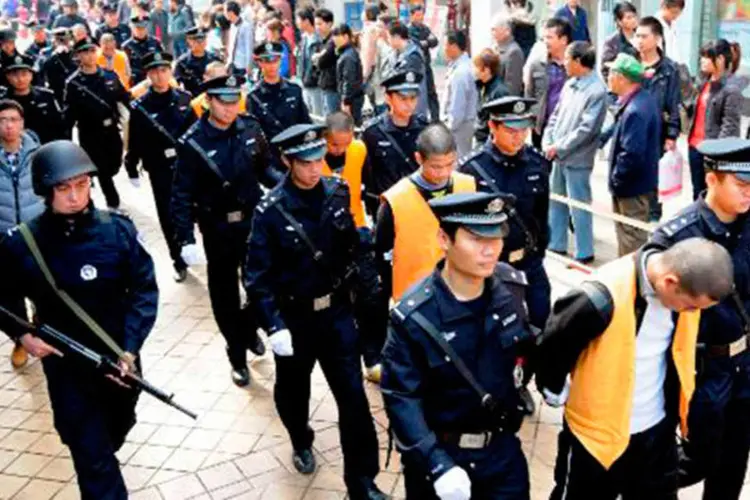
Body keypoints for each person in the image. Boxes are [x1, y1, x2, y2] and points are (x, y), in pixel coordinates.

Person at [0, 139, 158, 500]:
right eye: (63, 188)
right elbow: (3, 296)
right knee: (93, 456)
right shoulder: (22, 243)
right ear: (45, 190)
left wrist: (131, 348)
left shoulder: (117, 230)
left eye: (82, 185)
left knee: (116, 430)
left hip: (119, 359)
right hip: (66, 367)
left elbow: (145, 291)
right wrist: (22, 335)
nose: (74, 196)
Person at [243, 123, 386, 500]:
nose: (314, 168)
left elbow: (354, 246)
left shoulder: (338, 192)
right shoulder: (270, 211)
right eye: (305, 162)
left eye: (319, 159)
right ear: (287, 161)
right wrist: (273, 326)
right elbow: (256, 276)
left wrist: (368, 289)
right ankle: (300, 437)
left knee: (354, 399)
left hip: (336, 315)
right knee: (293, 392)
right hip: (294, 320)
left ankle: (363, 481)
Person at [536, 237, 733, 499]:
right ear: (669, 282)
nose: (692, 313)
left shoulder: (679, 297)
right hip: (595, 438)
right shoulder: (599, 296)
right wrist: (556, 390)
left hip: (656, 432)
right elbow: (554, 344)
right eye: (690, 305)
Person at [381, 191, 534, 500]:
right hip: (443, 457)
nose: (490, 250)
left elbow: (526, 349)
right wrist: (436, 464)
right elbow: (401, 396)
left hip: (502, 454)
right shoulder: (415, 316)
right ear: (444, 239)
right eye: (476, 239)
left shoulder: (511, 291)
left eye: (496, 237)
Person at [647, 138, 750, 500]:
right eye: (741, 184)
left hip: (743, 366)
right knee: (689, 461)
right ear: (712, 179)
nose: (749, 193)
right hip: (697, 369)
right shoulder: (678, 236)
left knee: (733, 462)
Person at [170, 74, 272, 387]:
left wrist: (288, 183)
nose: (230, 109)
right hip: (218, 229)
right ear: (209, 101)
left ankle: (247, 326)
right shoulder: (192, 142)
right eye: (223, 102)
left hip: (254, 223)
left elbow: (265, 168)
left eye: (234, 101)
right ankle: (236, 354)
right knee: (225, 295)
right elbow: (181, 194)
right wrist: (185, 238)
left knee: (265, 285)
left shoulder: (251, 128)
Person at [459, 96, 550, 415]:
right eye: (511, 130)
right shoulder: (472, 170)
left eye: (523, 129)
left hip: (529, 262)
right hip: (491, 268)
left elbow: (542, 216)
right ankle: (491, 386)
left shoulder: (538, 164)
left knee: (539, 323)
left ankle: (521, 382)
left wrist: (537, 253)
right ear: (493, 126)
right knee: (495, 331)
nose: (518, 137)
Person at [376, 123, 476, 304]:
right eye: (436, 167)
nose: (444, 173)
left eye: (450, 164)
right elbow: (382, 258)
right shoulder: (395, 200)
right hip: (415, 299)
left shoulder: (468, 186)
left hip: (461, 291)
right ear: (418, 159)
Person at [125, 51, 194, 282]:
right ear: (148, 75)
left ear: (170, 71)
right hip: (160, 168)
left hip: (187, 166)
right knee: (167, 215)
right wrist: (132, 166)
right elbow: (134, 140)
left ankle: (191, 245)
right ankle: (178, 259)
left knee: (193, 208)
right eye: (154, 71)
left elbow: (198, 134)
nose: (160, 75)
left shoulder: (185, 99)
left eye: (163, 70)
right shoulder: (140, 107)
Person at [543, 42, 607, 264]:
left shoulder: (597, 91)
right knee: (556, 201)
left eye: (568, 59)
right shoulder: (570, 85)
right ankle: (557, 243)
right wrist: (548, 140)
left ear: (579, 62)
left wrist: (558, 146)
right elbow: (555, 116)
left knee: (578, 205)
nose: (564, 63)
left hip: (577, 158)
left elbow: (586, 130)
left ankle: (584, 250)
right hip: (558, 154)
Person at [0, 99, 43, 370]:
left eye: (13, 120)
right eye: (2, 120)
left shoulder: (37, 154)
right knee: (8, 293)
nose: (8, 126)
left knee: (42, 287)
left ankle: (41, 328)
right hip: (3, 237)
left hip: (36, 234)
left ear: (23, 123)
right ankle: (20, 337)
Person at [604, 53, 661, 256]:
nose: (607, 77)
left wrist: (617, 178)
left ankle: (634, 282)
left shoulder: (636, 110)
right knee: (629, 235)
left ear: (622, 78)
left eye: (611, 73)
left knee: (631, 240)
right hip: (635, 185)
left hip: (631, 188)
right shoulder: (641, 100)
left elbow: (632, 154)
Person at [64, 36, 130, 209]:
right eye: (85, 52)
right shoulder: (73, 83)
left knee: (115, 165)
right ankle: (113, 203)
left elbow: (125, 99)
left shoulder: (109, 75)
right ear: (78, 56)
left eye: (92, 50)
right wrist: (67, 144)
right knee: (103, 171)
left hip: (112, 131)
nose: (90, 55)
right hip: (90, 134)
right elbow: (69, 116)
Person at [361, 68, 429, 216]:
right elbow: (367, 176)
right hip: (387, 207)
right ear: (388, 98)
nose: (409, 104)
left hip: (419, 204)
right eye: (403, 99)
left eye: (413, 98)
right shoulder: (372, 133)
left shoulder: (424, 128)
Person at [636, 16, 681, 222]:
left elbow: (673, 104)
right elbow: (614, 94)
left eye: (644, 36)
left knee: (655, 181)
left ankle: (653, 223)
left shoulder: (669, 69)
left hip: (657, 132)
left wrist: (672, 134)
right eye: (637, 36)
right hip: (633, 130)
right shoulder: (629, 62)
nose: (639, 40)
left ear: (657, 39)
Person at [687, 39, 742, 200]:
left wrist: (717, 154)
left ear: (720, 59)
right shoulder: (703, 83)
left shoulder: (731, 89)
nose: (702, 60)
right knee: (697, 193)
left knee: (713, 196)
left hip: (711, 152)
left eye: (706, 56)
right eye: (701, 56)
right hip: (694, 147)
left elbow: (730, 127)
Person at [247, 41, 310, 178]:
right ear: (259, 63)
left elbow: (305, 123)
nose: (271, 65)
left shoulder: (294, 90)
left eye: (275, 60)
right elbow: (254, 134)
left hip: (297, 155)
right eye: (266, 61)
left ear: (280, 60)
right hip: (272, 161)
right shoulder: (253, 97)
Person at [525, 17, 571, 150]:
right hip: (542, 126)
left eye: (550, 38)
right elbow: (530, 94)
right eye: (544, 38)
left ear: (563, 40)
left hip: (566, 126)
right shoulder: (537, 65)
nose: (546, 42)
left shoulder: (575, 65)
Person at [1, 54, 67, 145]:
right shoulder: (3, 102)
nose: (20, 79)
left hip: (45, 150)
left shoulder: (46, 96)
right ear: (8, 77)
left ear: (31, 75)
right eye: (15, 75)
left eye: (24, 74)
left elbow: (60, 127)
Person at [323, 111, 368, 229]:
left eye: (347, 144)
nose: (341, 150)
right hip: (326, 227)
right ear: (323, 136)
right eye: (334, 144)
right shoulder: (313, 162)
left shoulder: (359, 149)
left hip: (357, 223)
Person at [442, 31, 477, 158]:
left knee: (458, 162)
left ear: (454, 46)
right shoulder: (460, 66)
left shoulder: (461, 72)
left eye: (445, 45)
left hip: (459, 127)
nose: (444, 48)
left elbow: (457, 106)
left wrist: (448, 128)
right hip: (461, 125)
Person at [387, 23, 430, 120]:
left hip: (412, 111)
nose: (388, 41)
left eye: (389, 37)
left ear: (397, 37)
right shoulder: (397, 53)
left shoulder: (413, 57)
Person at [407, 4, 439, 122]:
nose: (420, 18)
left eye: (422, 15)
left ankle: (436, 119)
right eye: (418, 15)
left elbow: (434, 41)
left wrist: (424, 43)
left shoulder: (424, 28)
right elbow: (415, 45)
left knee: (431, 92)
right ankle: (418, 119)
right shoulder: (408, 30)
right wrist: (426, 42)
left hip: (426, 65)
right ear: (412, 16)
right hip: (415, 68)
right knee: (418, 94)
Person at [473, 48, 509, 146]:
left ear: (486, 70)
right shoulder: (480, 85)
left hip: (489, 143)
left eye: (476, 67)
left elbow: (500, 125)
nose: (474, 70)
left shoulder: (499, 92)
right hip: (480, 138)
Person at [332, 23, 364, 125]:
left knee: (351, 128)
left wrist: (346, 102)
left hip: (352, 100)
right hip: (354, 98)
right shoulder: (347, 52)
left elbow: (348, 81)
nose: (334, 39)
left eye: (336, 36)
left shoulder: (348, 56)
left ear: (345, 37)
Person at [174, 27, 221, 97]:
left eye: (203, 39)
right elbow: (176, 86)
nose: (201, 43)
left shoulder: (215, 59)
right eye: (198, 40)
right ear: (189, 41)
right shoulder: (182, 63)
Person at [601, 1, 639, 80]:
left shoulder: (641, 36)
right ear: (619, 21)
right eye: (629, 17)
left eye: (634, 16)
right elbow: (606, 68)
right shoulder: (611, 42)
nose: (633, 20)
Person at [295, 6, 321, 117]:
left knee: (318, 116)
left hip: (316, 85)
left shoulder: (318, 38)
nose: (297, 23)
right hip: (304, 83)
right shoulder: (304, 38)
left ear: (306, 21)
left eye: (298, 20)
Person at [122, 14, 163, 87]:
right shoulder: (126, 46)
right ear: (133, 29)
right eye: (138, 28)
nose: (141, 31)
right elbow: (124, 68)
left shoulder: (155, 42)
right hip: (137, 81)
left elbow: (162, 61)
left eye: (143, 28)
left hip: (155, 79)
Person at [490, 11, 524, 96]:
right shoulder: (494, 47)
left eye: (495, 29)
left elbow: (512, 88)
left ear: (507, 31)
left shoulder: (513, 52)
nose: (492, 33)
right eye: (492, 30)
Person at [40, 27, 77, 104]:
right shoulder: (46, 53)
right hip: (54, 90)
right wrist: (55, 55)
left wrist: (66, 54)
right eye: (60, 40)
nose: (63, 43)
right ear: (54, 41)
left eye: (65, 40)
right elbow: (40, 72)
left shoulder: (75, 53)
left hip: (73, 90)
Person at [312, 8, 338, 116]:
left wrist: (317, 58)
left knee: (332, 119)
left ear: (329, 23)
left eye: (320, 24)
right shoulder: (322, 41)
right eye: (316, 24)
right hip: (325, 86)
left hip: (332, 87)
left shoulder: (332, 41)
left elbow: (321, 62)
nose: (317, 27)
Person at [225, 0, 253, 77]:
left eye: (225, 11)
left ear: (230, 12)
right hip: (232, 63)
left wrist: (249, 65)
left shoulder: (246, 26)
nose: (224, 13)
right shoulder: (232, 25)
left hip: (242, 64)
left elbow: (249, 47)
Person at [654, 0, 685, 66]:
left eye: (678, 13)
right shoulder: (653, 24)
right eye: (673, 12)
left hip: (674, 66)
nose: (675, 16)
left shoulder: (674, 24)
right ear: (664, 7)